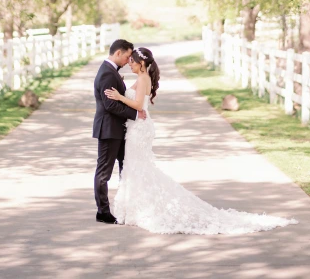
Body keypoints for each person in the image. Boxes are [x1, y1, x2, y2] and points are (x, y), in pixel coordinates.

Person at [105, 46, 298, 235]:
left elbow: (138, 104)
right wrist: (122, 90)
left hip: (139, 130)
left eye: (132, 62)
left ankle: (140, 209)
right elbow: (136, 99)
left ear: (141, 63)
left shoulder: (143, 78)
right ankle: (136, 208)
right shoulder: (142, 78)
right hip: (137, 128)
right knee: (135, 167)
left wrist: (120, 96)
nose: (129, 64)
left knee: (138, 166)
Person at [92, 38, 147, 224]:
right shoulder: (107, 74)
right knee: (104, 173)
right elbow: (110, 105)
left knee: (127, 167)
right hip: (109, 129)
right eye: (127, 56)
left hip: (118, 130)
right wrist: (135, 113)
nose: (128, 61)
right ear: (118, 53)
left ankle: (128, 208)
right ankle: (103, 212)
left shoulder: (111, 72)